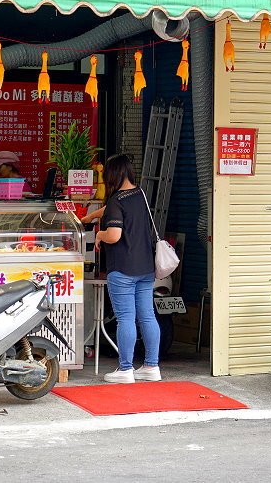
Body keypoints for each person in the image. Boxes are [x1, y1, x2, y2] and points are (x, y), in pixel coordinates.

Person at [81, 154, 160, 383]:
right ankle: (151, 367)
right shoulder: (140, 195)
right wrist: (89, 217)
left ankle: (126, 369)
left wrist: (99, 234)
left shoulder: (117, 200)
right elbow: (109, 211)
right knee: (147, 316)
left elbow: (114, 235)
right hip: (145, 268)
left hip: (123, 269)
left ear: (112, 175)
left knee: (126, 318)